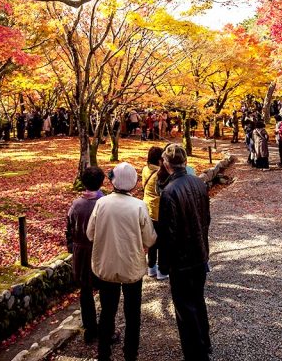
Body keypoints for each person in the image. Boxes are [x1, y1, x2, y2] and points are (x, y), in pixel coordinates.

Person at [87, 162, 156, 361]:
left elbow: (90, 234)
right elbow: (150, 239)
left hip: (106, 266)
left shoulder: (102, 203)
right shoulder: (139, 206)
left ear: (113, 181)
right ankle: (130, 354)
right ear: (134, 183)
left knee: (107, 312)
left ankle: (104, 353)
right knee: (132, 314)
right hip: (131, 267)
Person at [156, 143, 211, 361]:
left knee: (184, 309)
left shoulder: (169, 192)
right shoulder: (198, 183)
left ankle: (196, 354)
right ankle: (204, 343)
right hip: (200, 252)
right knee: (198, 300)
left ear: (166, 164)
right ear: (184, 162)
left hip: (182, 259)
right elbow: (206, 219)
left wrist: (164, 264)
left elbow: (168, 233)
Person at [66, 166, 105, 343]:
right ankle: (106, 328)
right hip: (100, 250)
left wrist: (71, 246)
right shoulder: (104, 203)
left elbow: (69, 227)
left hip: (81, 252)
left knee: (86, 291)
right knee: (105, 289)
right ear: (101, 182)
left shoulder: (76, 204)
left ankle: (90, 329)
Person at [142, 146, 169, 280]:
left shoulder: (145, 170)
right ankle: (162, 270)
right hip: (160, 211)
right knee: (163, 242)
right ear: (159, 160)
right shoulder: (160, 174)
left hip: (147, 210)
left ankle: (151, 267)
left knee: (152, 241)